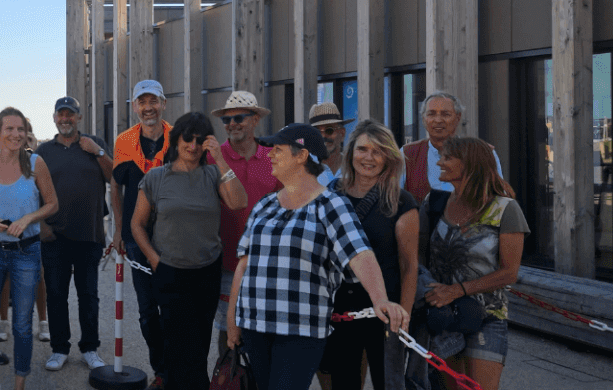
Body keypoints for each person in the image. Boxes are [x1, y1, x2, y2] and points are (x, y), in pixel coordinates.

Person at [223, 123, 408, 390]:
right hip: (255, 326)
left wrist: (380, 299)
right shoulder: (265, 204)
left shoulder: (331, 204)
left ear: (301, 155)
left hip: (300, 329)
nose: (270, 155)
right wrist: (233, 321)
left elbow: (360, 254)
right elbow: (244, 265)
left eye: (278, 149)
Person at [130, 113, 247, 390]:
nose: (193, 146)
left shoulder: (211, 174)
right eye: (187, 139)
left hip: (206, 273)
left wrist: (219, 159)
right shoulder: (157, 177)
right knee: (173, 344)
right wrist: (155, 259)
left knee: (198, 344)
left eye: (199, 140)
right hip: (170, 273)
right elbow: (137, 224)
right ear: (176, 140)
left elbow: (239, 202)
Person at [418, 139, 526, 390]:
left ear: (469, 164)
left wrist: (457, 290)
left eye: (447, 158)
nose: (439, 162)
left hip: (488, 316)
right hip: (442, 316)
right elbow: (418, 258)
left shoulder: (505, 209)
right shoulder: (433, 203)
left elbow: (509, 273)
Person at [0, 109, 58, 390]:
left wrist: (29, 218)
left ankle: (19, 385)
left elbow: (52, 203)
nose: (15, 134)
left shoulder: (36, 163)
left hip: (26, 252)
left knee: (21, 325)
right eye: (10, 129)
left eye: (21, 129)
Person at [319, 122, 417, 390]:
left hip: (386, 309)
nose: (368, 158)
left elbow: (409, 265)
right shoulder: (331, 195)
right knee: (343, 383)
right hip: (339, 308)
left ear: (389, 157)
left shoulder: (401, 201)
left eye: (378, 151)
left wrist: (404, 318)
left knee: (388, 384)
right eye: (362, 149)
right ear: (350, 152)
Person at [36, 97, 112, 374]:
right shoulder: (44, 151)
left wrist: (98, 152)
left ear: (79, 118)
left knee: (89, 295)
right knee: (56, 294)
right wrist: (42, 225)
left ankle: (90, 348)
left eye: (71, 115)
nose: (65, 119)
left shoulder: (94, 144)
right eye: (61, 115)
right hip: (54, 235)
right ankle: (59, 349)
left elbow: (114, 177)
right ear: (54, 117)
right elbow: (34, 190)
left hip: (89, 234)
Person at [210, 92, 280, 363]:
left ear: (255, 120)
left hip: (268, 262)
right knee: (226, 332)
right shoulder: (213, 158)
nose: (232, 124)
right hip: (226, 261)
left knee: (264, 330)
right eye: (227, 120)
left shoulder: (275, 158)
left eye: (239, 118)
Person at [110, 82, 173, 380]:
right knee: (148, 312)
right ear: (134, 107)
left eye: (153, 101)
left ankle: (177, 372)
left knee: (173, 308)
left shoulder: (178, 138)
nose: (148, 107)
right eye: (141, 102)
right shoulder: (124, 141)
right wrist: (118, 230)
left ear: (163, 104)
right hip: (137, 238)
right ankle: (160, 371)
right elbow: (116, 187)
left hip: (173, 238)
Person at [304, 105, 347, 170]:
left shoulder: (355, 167)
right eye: (317, 132)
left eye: (329, 130)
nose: (323, 136)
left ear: (342, 134)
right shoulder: (301, 170)